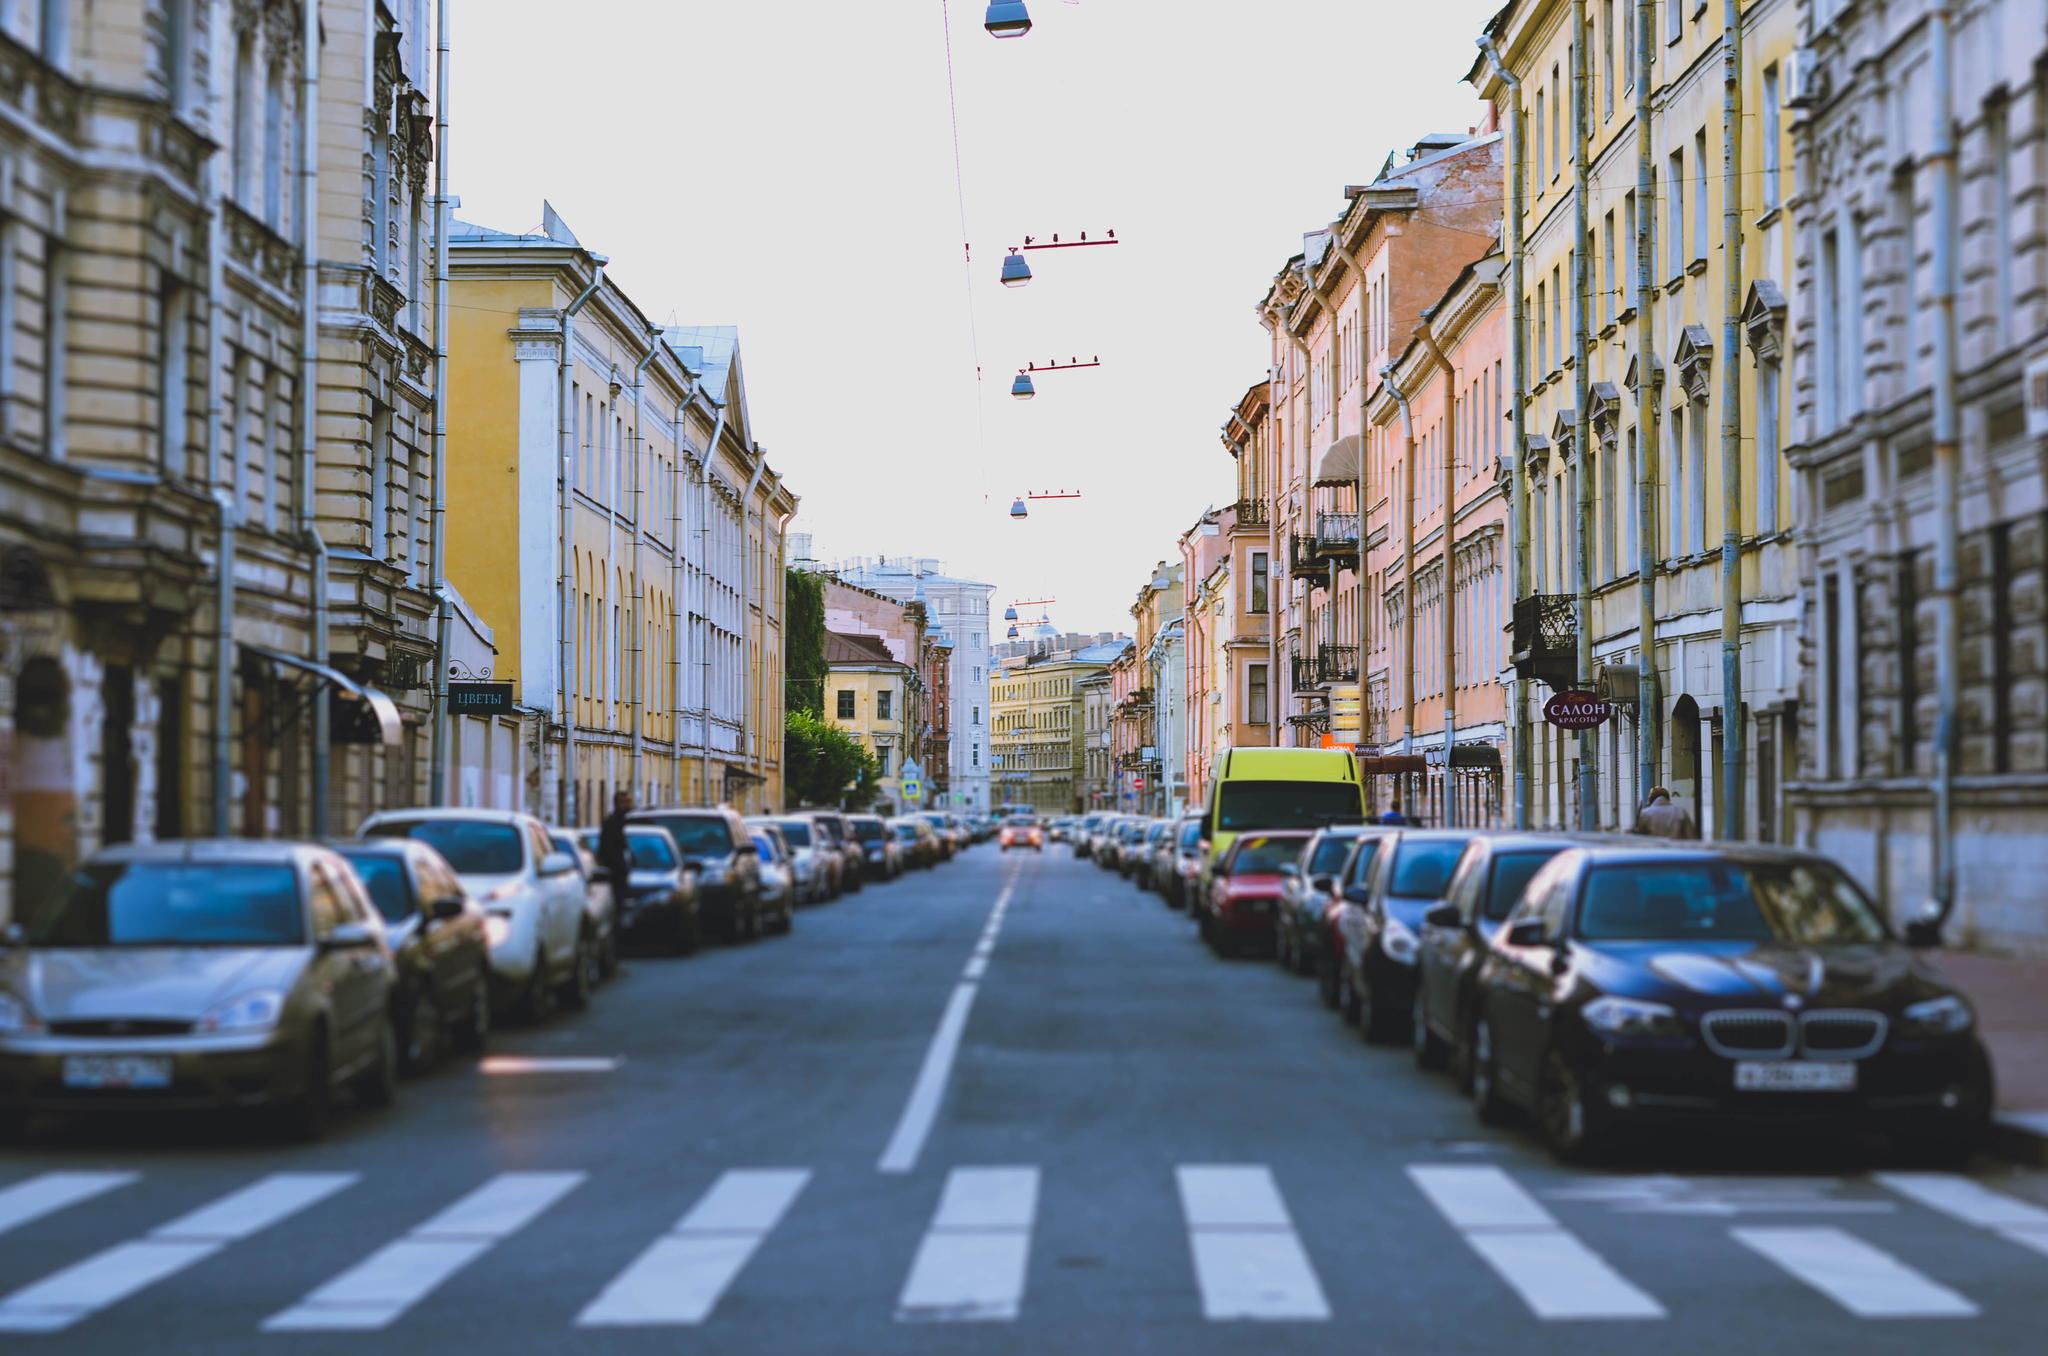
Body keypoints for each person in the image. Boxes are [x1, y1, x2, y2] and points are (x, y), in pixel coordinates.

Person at [597, 790, 635, 882]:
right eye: (622, 802)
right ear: (615, 804)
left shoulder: (637, 821)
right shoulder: (610, 824)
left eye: (627, 802)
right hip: (616, 872)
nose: (625, 805)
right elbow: (604, 849)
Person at [1632, 786, 1698, 839]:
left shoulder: (1645, 813)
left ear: (1650, 800)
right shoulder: (1681, 812)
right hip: (1677, 852)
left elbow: (1641, 838)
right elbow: (1690, 836)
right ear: (1667, 798)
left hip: (1653, 852)